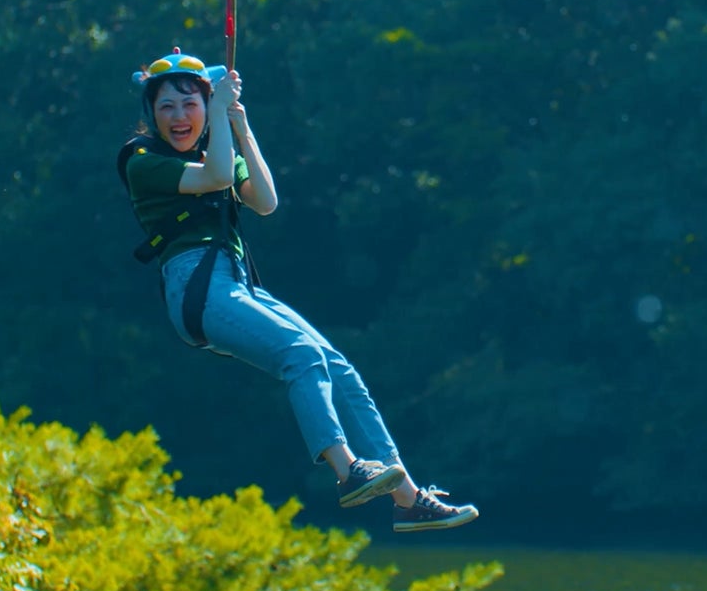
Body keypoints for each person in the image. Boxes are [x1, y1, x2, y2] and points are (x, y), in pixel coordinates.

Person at [119, 48, 478, 532]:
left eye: (190, 104)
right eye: (167, 107)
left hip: (235, 281)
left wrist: (239, 124)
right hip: (196, 287)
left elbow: (264, 200)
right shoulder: (144, 161)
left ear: (206, 109)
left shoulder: (218, 145)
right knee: (300, 356)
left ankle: (408, 499)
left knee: (339, 369)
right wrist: (221, 117)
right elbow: (218, 177)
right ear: (152, 116)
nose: (179, 116)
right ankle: (347, 470)